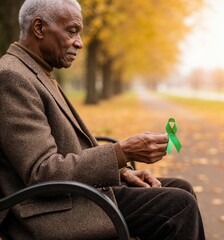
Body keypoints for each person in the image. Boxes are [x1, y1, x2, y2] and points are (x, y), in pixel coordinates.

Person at [0, 0, 206, 239]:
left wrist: (121, 172)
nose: (80, 42)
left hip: (73, 195)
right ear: (39, 28)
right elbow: (43, 171)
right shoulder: (12, 77)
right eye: (72, 31)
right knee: (178, 205)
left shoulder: (37, 70)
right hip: (50, 212)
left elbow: (65, 148)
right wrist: (122, 152)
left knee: (181, 188)